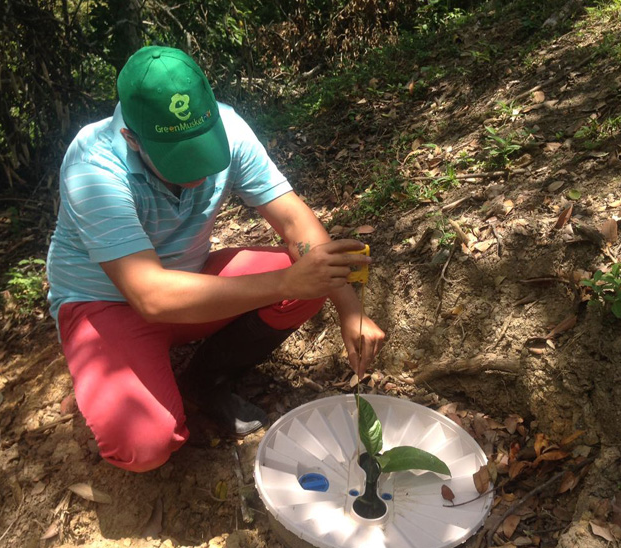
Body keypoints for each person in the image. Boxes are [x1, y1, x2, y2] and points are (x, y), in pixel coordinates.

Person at [46, 46, 385, 473]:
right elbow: (150, 295)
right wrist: (286, 282)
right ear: (132, 137)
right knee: (145, 446)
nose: (197, 173)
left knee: (309, 284)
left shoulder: (228, 125)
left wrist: (350, 309)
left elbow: (295, 221)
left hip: (192, 284)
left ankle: (203, 380)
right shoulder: (92, 166)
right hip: (105, 304)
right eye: (178, 160)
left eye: (204, 152)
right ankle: (115, 379)